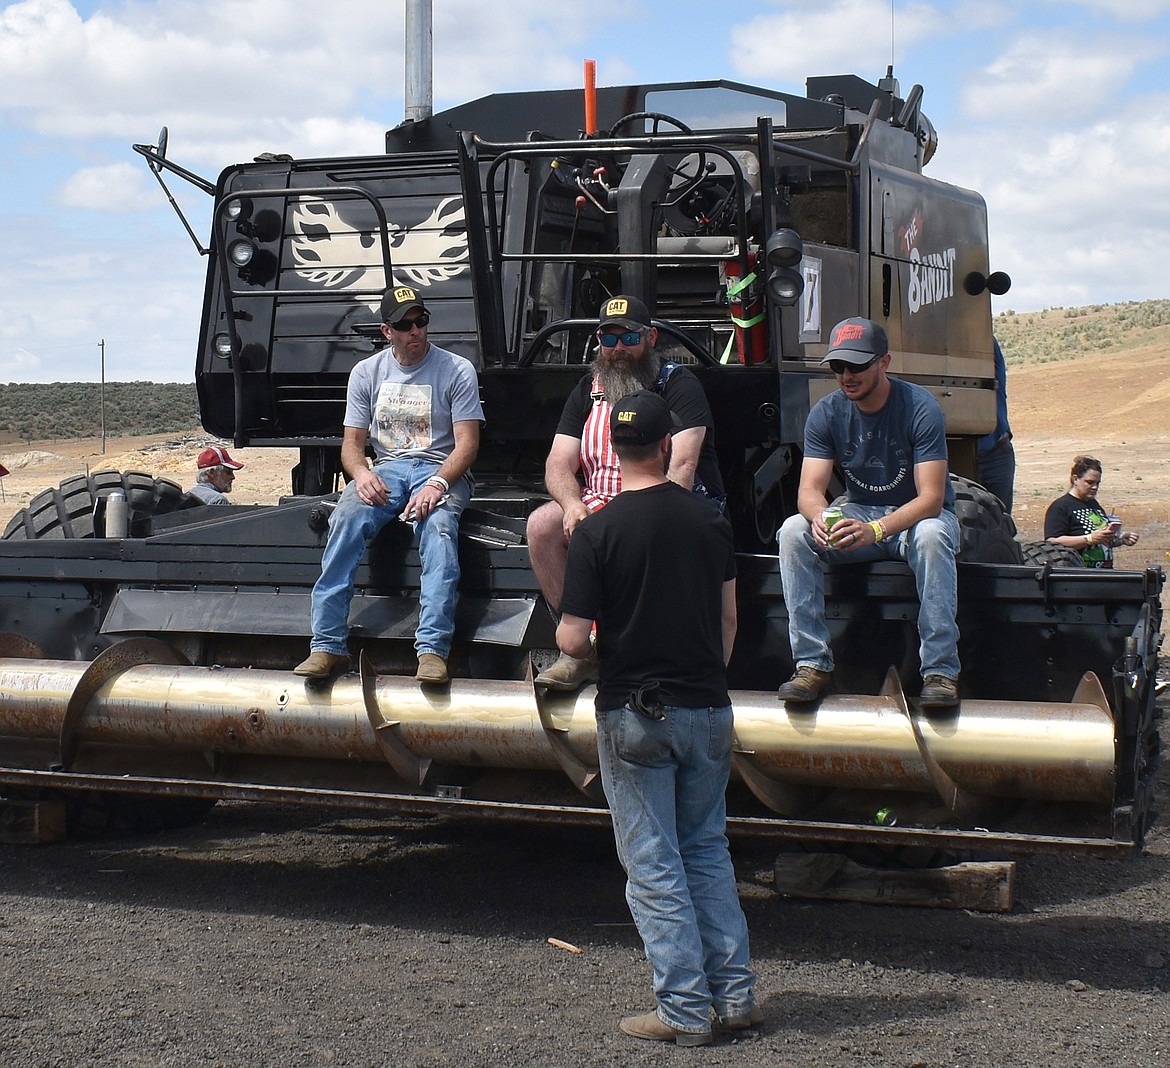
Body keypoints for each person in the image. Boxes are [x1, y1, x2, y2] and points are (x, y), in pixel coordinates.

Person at [556, 390, 757, 1047]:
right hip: (707, 709)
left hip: (634, 712)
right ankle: (735, 998)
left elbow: (571, 642)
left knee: (654, 865)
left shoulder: (598, 530)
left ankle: (683, 1011)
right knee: (706, 851)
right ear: (668, 445)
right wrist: (707, 683)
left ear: (611, 449)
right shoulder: (710, 522)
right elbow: (730, 620)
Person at [528, 294, 723, 691]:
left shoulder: (678, 384)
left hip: (667, 501)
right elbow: (557, 462)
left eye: (629, 338)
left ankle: (648, 650)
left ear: (650, 337)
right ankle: (582, 652)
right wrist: (571, 505)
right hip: (600, 503)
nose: (618, 350)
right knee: (541, 525)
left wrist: (634, 521)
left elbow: (682, 466)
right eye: (609, 339)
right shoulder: (588, 388)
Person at [294, 286, 483, 684]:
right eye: (405, 324)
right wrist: (362, 476)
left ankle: (432, 650)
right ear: (386, 330)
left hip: (441, 467)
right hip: (388, 468)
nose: (416, 330)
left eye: (422, 321)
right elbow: (352, 446)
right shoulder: (366, 373)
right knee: (345, 519)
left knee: (439, 529)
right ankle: (326, 644)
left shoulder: (457, 370)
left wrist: (437, 484)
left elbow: (467, 444)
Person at [776, 316, 962, 709]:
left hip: (916, 520)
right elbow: (809, 491)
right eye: (838, 367)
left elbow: (931, 499)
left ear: (884, 362)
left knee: (932, 536)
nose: (847, 375)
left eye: (857, 365)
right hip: (861, 515)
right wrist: (823, 520)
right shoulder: (826, 413)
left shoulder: (921, 407)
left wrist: (875, 529)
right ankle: (811, 664)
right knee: (794, 531)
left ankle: (941, 672)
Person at [1044, 454, 1140, 568]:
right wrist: (1089, 539)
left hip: (1105, 574)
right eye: (1090, 482)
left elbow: (1100, 541)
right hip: (1078, 576)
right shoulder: (1061, 507)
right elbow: (1052, 542)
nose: (1095, 487)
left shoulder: (1094, 505)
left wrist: (1120, 540)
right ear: (1075, 479)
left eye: (1097, 483)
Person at [975, 337, 1015, 511]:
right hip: (956, 454)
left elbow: (982, 334)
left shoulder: (986, 346)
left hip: (996, 451)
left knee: (1001, 520)